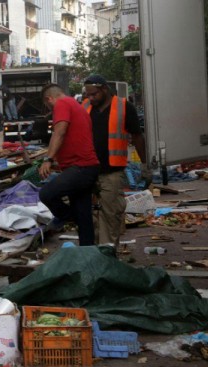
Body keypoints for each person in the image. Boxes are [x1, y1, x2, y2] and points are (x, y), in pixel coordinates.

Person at [83, 74, 149, 246]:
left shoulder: (124, 107)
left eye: (94, 94)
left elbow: (137, 136)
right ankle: (94, 255)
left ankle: (107, 255)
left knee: (110, 215)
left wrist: (144, 164)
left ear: (104, 89)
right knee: (90, 216)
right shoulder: (85, 107)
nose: (90, 98)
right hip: (87, 171)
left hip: (111, 172)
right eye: (88, 95)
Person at [38, 83, 100, 246]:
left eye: (47, 106)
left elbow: (60, 131)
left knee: (46, 194)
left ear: (49, 99)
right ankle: (88, 255)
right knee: (84, 219)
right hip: (86, 167)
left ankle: (69, 217)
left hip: (81, 167)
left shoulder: (62, 104)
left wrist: (48, 159)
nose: (50, 110)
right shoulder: (76, 105)